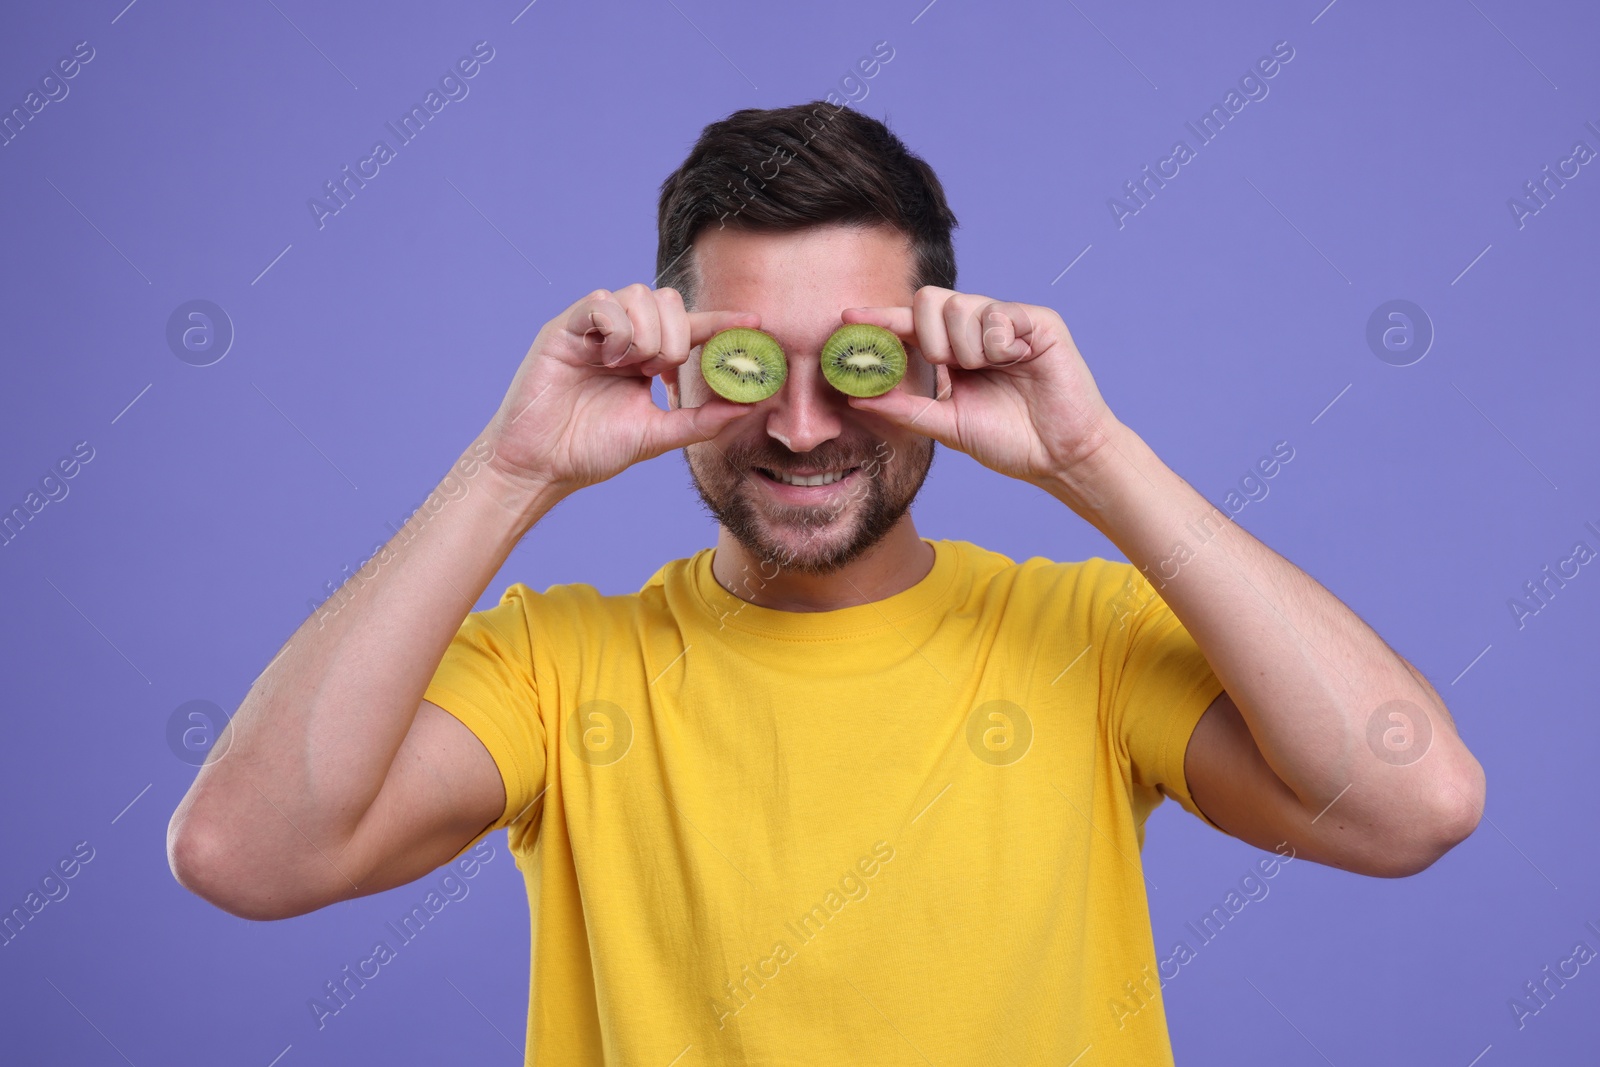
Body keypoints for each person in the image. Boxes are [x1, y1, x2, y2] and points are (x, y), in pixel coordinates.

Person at [167, 101, 1486, 1065]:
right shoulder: (558, 670)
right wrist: (513, 467)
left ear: (938, 362)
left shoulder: (1082, 636)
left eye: (855, 361)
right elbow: (243, 852)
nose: (802, 426)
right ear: (677, 365)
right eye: (750, 362)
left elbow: (1414, 805)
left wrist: (1094, 458)